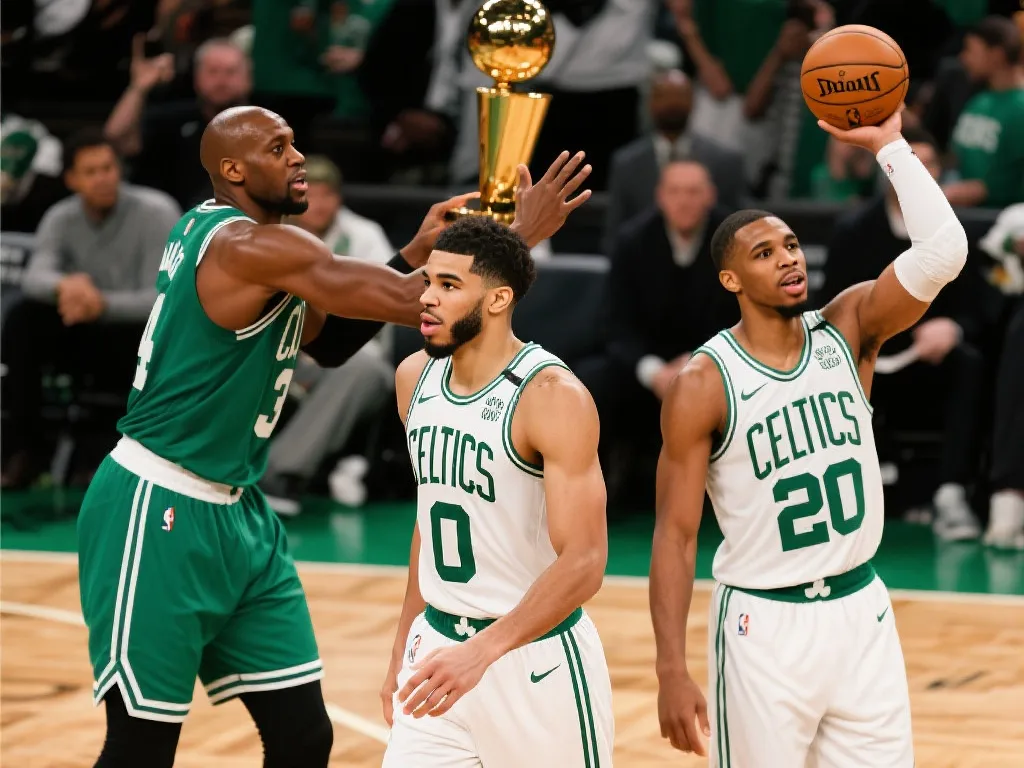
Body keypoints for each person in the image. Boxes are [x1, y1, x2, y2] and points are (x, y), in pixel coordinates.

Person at [75, 104, 591, 768]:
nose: (297, 158)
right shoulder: (251, 246)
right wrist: (522, 235)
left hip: (238, 512)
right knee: (140, 749)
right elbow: (414, 302)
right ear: (233, 170)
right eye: (277, 148)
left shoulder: (247, 243)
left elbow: (333, 341)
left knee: (303, 737)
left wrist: (413, 253)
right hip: (158, 506)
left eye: (294, 142)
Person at [650, 106, 968, 766]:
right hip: (763, 625)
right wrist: (671, 669)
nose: (787, 259)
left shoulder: (850, 325)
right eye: (763, 254)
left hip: (861, 609)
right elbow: (676, 536)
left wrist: (891, 147)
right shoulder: (704, 382)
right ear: (731, 280)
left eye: (791, 245)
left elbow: (944, 252)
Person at [380, 215, 613, 767]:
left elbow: (585, 560)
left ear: (498, 298)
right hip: (436, 653)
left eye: (449, 285)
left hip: (534, 663)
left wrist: (482, 651)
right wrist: (402, 648)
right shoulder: (413, 377)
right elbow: (430, 521)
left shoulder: (551, 395)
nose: (427, 298)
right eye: (428, 282)